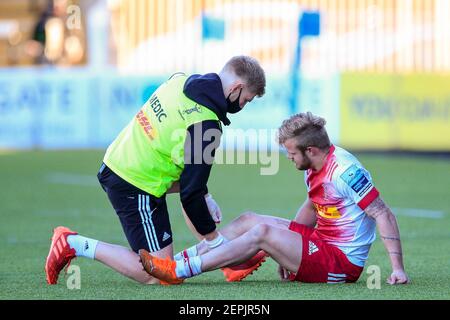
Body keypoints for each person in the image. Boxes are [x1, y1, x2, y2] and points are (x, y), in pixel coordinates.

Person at [44, 55, 266, 285]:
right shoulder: (206, 124)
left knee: (173, 255)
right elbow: (190, 194)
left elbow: (189, 174)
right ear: (236, 88)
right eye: (246, 100)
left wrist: (206, 196)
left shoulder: (180, 80)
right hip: (132, 181)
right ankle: (72, 243)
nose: (242, 106)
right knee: (156, 275)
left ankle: (223, 261)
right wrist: (219, 246)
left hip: (129, 163)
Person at [139, 112, 410, 285]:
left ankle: (178, 272)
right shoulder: (315, 165)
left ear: (311, 150)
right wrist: (289, 248)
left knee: (264, 232)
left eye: (292, 153)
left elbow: (382, 213)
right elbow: (312, 206)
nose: (289, 158)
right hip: (321, 244)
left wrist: (397, 269)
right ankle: (175, 261)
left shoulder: (345, 172)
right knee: (249, 220)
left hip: (340, 263)